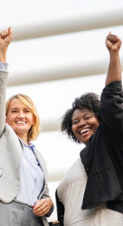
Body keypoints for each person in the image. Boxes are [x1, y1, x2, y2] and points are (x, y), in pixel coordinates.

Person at [0, 27, 54, 226]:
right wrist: (2, 51)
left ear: (33, 118)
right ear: (6, 118)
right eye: (14, 111)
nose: (21, 115)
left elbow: (44, 194)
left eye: (26, 111)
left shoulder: (39, 157)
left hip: (34, 218)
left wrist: (48, 204)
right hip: (5, 209)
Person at [56, 32, 123, 226]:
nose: (81, 123)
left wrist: (114, 55)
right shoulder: (81, 161)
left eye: (87, 117)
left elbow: (112, 98)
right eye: (75, 122)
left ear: (101, 119)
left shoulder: (109, 143)